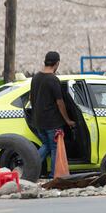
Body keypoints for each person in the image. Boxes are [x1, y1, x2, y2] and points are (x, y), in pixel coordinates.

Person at [29, 51, 75, 179]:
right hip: (52, 121)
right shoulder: (53, 80)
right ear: (57, 63)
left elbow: (31, 98)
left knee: (47, 146)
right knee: (55, 148)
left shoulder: (36, 77)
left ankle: (30, 168)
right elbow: (60, 102)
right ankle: (54, 176)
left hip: (38, 121)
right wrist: (67, 120)